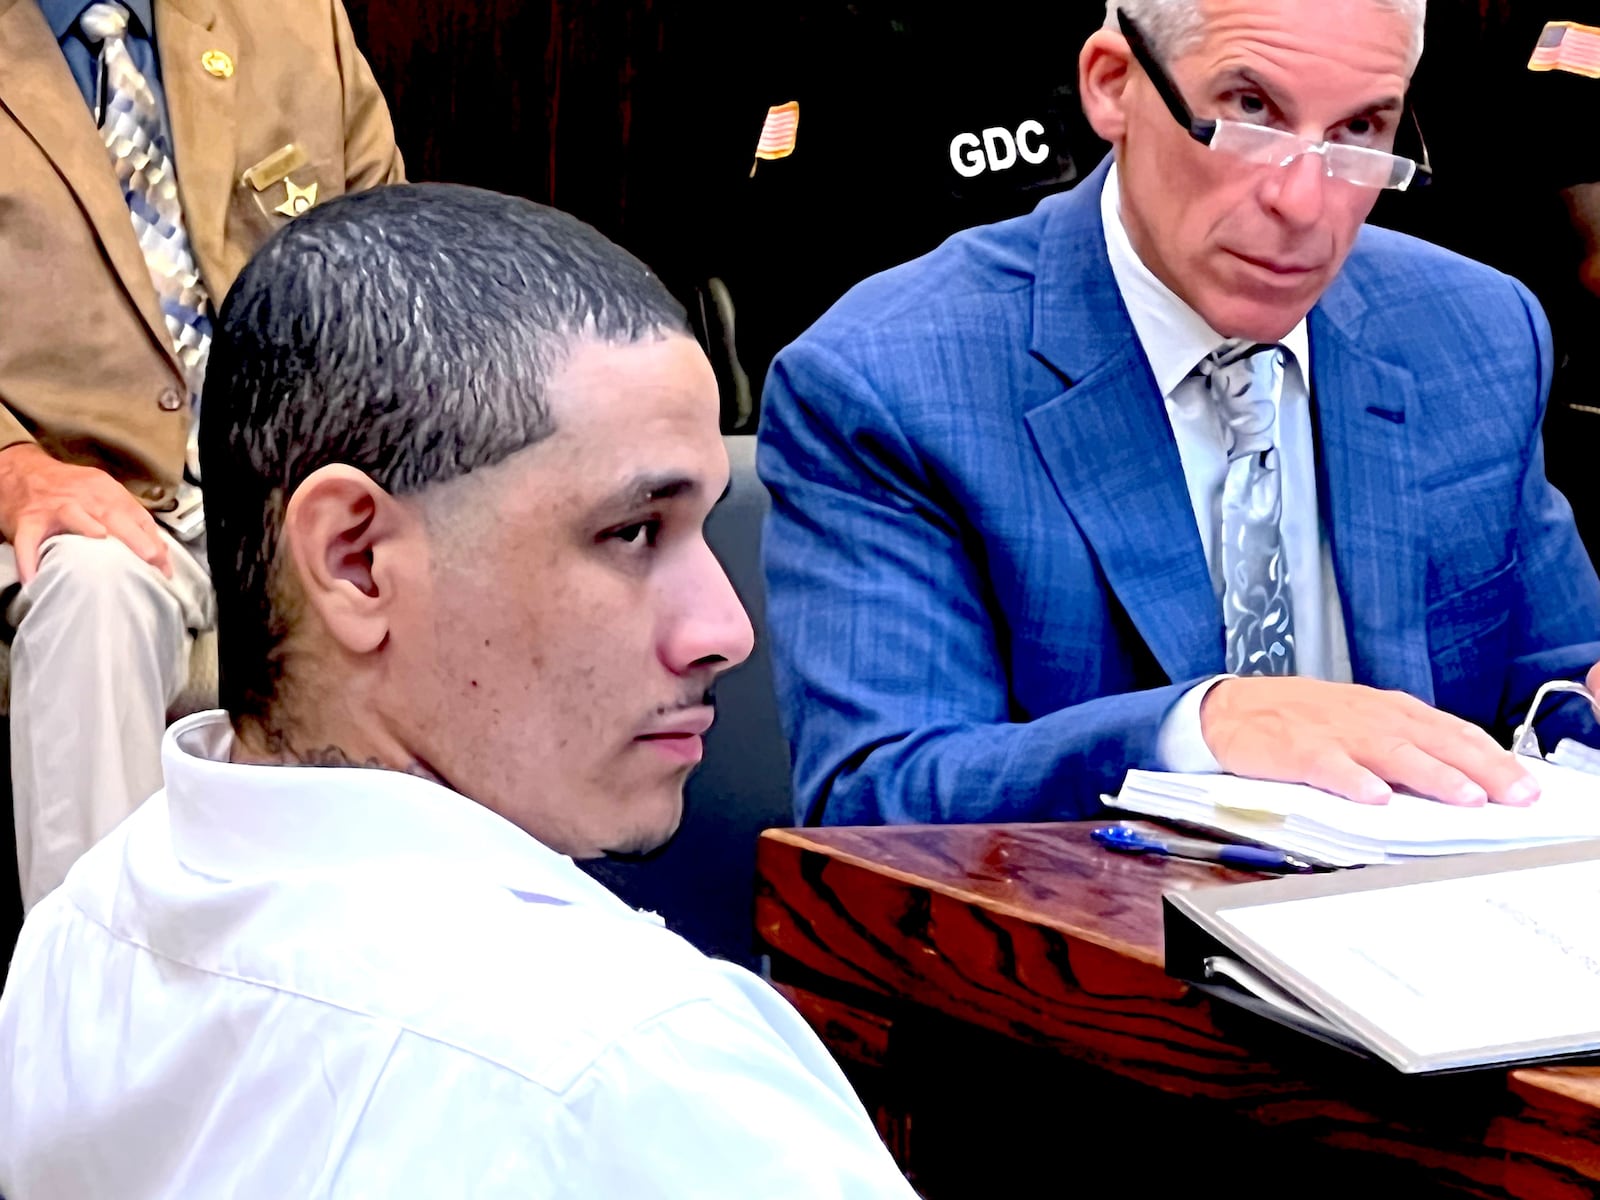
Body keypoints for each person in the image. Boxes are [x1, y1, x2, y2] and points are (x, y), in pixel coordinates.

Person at [0, 184, 918, 1198]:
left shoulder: (83, 930)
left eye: (703, 525)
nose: (726, 632)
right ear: (355, 562)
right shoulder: (633, 1071)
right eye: (632, 532)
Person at [757, 0, 1600, 826]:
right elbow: (876, 799)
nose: (1305, 205)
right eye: (1250, 111)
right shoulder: (891, 379)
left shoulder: (1476, 332)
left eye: (1359, 133)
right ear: (1112, 85)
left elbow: (1552, 692)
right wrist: (1201, 730)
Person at [0, 0, 403, 909]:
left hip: (284, 500)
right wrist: (9, 468)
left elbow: (397, 283)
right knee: (97, 592)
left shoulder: (299, 24)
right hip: (63, 512)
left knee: (449, 552)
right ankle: (101, 1013)